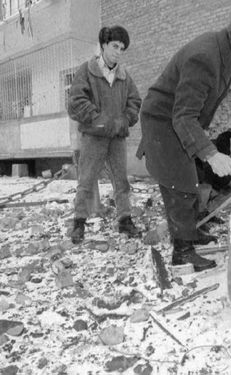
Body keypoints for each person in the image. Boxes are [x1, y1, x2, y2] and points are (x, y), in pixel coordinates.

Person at [137, 8, 231, 272]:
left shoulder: (224, 54)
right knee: (179, 181)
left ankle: (189, 232)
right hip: (164, 122)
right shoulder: (205, 57)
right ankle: (182, 252)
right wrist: (211, 153)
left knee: (193, 177)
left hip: (178, 119)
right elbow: (183, 116)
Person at [68, 25, 142, 244]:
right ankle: (79, 223)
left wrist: (124, 120)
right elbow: (76, 101)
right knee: (86, 180)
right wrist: (98, 120)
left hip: (117, 137)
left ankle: (125, 220)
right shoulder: (87, 71)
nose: (118, 51)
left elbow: (135, 102)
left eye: (122, 48)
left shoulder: (124, 76)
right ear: (103, 46)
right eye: (114, 46)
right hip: (93, 136)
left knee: (121, 181)